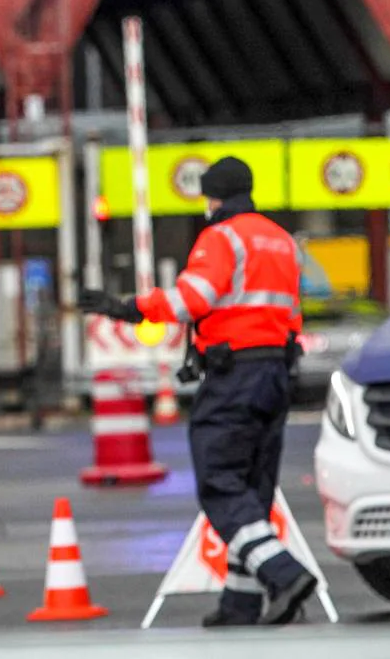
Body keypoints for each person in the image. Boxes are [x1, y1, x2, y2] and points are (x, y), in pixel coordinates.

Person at [78, 156, 316, 626]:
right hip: (276, 372)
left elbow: (193, 300)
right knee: (252, 489)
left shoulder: (221, 236)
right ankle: (241, 602)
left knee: (220, 481)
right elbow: (289, 313)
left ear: (213, 196)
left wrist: (127, 308)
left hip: (236, 376)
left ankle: (283, 573)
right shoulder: (280, 239)